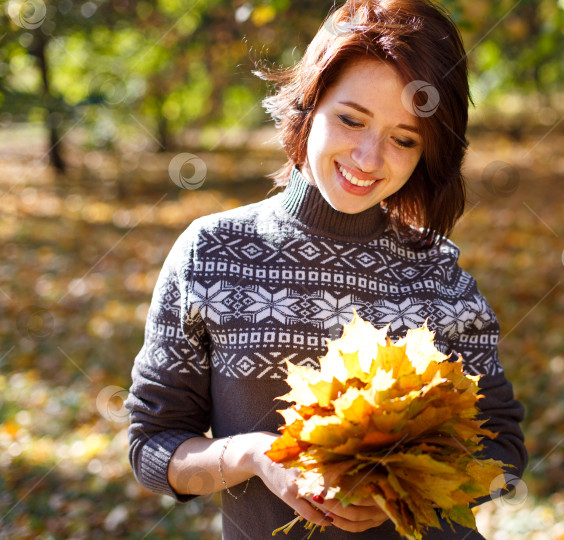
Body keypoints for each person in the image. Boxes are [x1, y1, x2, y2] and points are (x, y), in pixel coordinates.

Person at [125, 0, 527, 538]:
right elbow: (153, 445)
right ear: (309, 104)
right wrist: (252, 456)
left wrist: (402, 490)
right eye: (350, 119)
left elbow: (502, 448)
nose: (368, 157)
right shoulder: (212, 253)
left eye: (403, 138)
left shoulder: (439, 275)